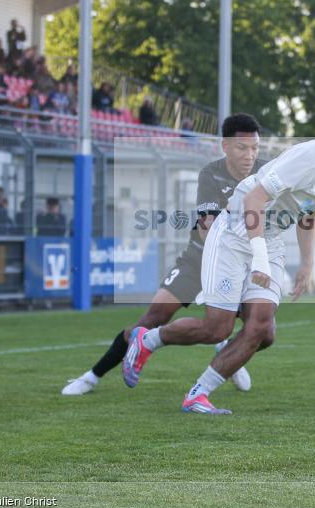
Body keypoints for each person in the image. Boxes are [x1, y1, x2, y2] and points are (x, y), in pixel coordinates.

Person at [122, 105, 315, 414]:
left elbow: (307, 211)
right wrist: (260, 258)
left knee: (263, 329)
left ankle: (198, 394)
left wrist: (307, 263)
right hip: (235, 233)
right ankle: (149, 340)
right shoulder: (310, 158)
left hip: (269, 238)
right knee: (217, 329)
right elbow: (253, 199)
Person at [61, 113, 264, 396]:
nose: (250, 155)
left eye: (255, 148)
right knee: (151, 318)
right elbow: (206, 226)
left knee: (262, 331)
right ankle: (91, 376)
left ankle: (226, 353)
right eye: (242, 148)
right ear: (225, 147)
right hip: (198, 261)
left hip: (239, 268)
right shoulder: (211, 174)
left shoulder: (266, 173)